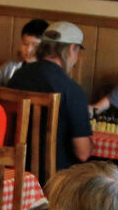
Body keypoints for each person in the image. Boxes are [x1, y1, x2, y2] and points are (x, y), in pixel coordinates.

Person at [7, 22, 93, 167]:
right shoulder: (71, 89)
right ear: (72, 49)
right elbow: (83, 153)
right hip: (55, 179)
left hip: (12, 170)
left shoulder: (17, 76)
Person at [0, 18, 48, 87]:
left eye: (35, 46)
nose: (28, 50)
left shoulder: (50, 73)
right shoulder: (12, 66)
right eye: (25, 44)